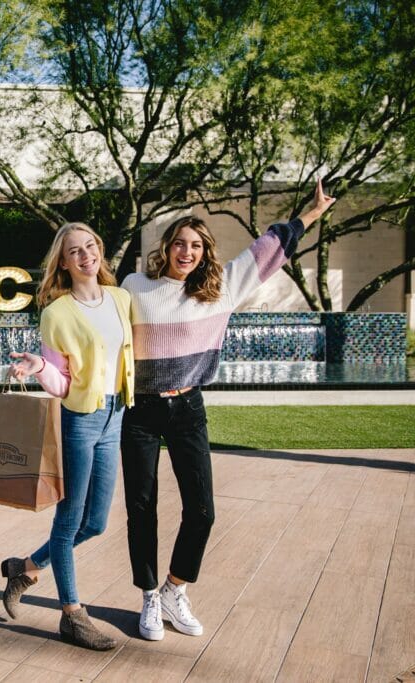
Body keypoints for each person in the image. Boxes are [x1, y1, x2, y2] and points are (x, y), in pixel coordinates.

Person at [121, 180, 336, 641]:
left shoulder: (221, 288)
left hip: (188, 409)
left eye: (195, 245)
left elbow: (268, 247)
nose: (186, 251)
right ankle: (147, 598)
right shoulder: (136, 286)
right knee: (142, 509)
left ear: (205, 252)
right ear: (167, 246)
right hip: (141, 411)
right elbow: (102, 331)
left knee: (202, 511)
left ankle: (174, 588)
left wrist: (312, 213)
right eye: (179, 242)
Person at [3, 222, 135, 650]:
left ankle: (25, 566)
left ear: (100, 251)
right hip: (79, 420)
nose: (85, 255)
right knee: (69, 521)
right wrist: (38, 368)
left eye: (91, 246)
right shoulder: (56, 313)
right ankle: (72, 615)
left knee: (95, 522)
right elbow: (63, 381)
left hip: (115, 414)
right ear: (63, 261)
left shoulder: (121, 299)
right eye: (74, 251)